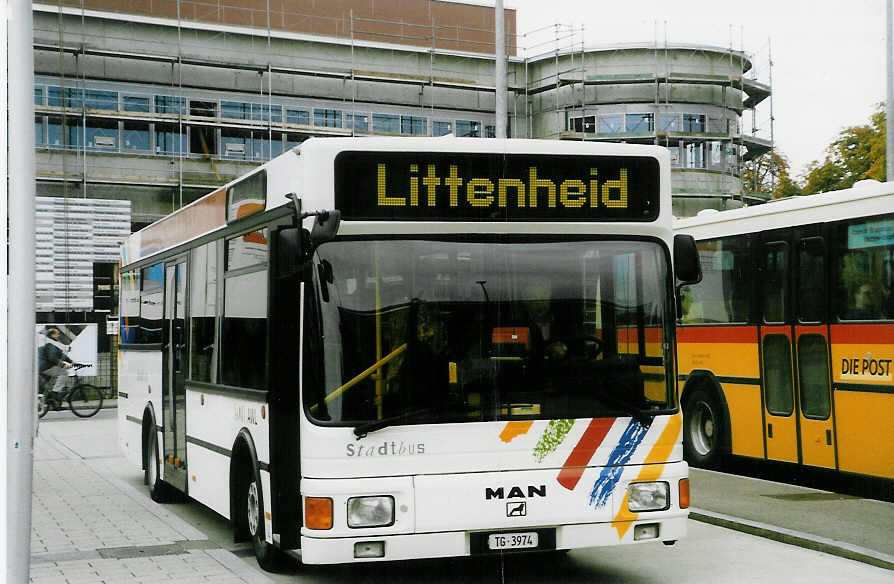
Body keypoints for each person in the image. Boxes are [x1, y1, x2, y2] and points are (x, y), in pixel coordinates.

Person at [38, 327, 73, 396]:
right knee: (64, 373)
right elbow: (52, 358)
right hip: (45, 367)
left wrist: (71, 361)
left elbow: (60, 354)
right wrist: (63, 365)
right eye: (57, 334)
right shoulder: (50, 344)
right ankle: (55, 392)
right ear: (52, 335)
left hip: (43, 366)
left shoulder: (52, 343)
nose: (59, 335)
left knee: (46, 388)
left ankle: (50, 399)